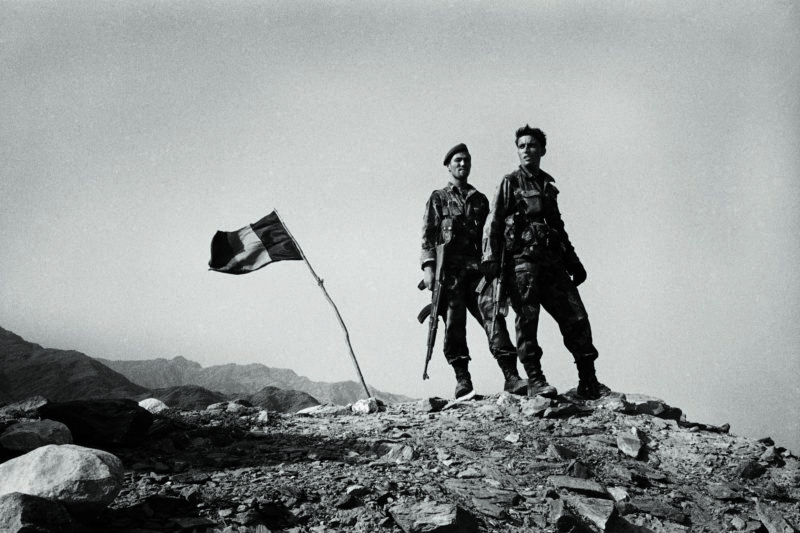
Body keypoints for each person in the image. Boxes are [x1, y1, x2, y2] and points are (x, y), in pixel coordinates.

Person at [481, 125, 609, 400]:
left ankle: (589, 380)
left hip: (552, 264)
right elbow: (494, 221)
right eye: (522, 146)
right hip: (522, 265)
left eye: (532, 145)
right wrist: (489, 258)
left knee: (576, 317)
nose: (526, 150)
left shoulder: (548, 188)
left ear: (542, 150)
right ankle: (536, 380)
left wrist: (573, 262)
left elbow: (558, 228)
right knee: (527, 323)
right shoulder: (510, 182)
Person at [421, 143, 527, 399]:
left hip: (479, 274)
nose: (462, 164)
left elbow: (490, 237)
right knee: (454, 324)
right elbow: (428, 235)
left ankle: (511, 377)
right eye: (457, 160)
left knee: (494, 319)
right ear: (448, 165)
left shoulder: (480, 200)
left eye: (466, 160)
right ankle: (462, 379)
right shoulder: (438, 198)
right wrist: (429, 269)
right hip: (451, 274)